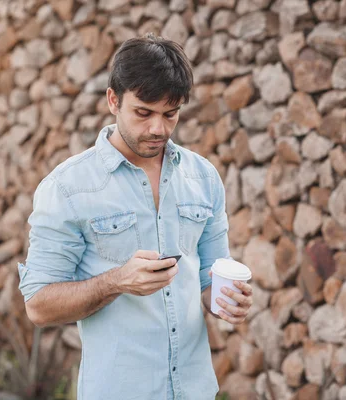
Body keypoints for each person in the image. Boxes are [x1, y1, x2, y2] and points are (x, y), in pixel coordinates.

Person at [17, 33, 254, 400]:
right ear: (113, 100)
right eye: (143, 112)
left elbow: (209, 278)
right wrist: (116, 282)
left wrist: (226, 300)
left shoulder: (203, 177)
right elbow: (38, 305)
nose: (158, 128)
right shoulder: (67, 187)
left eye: (170, 114)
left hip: (196, 391)